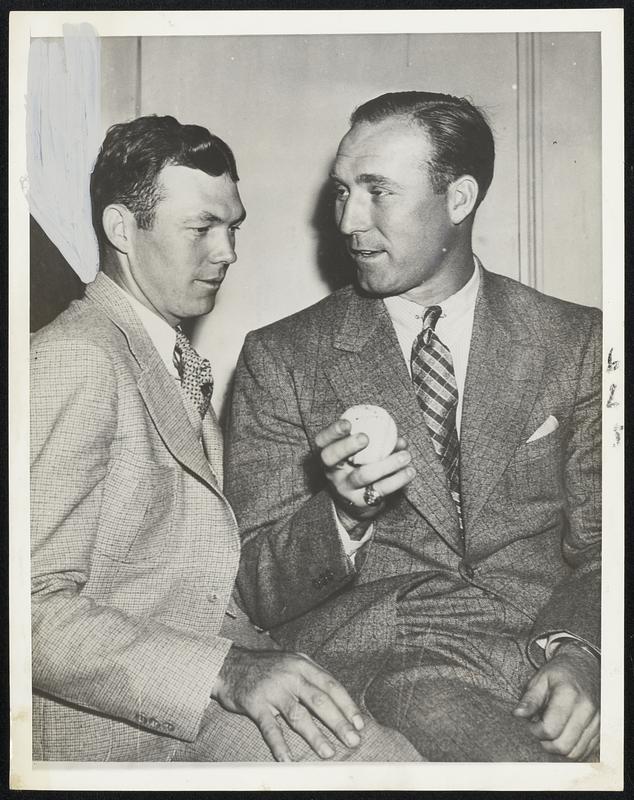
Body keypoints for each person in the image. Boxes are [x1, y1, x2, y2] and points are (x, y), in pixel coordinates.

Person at [30, 114, 423, 763]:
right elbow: (28, 612)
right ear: (122, 228)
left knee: (395, 759)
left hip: (196, 698)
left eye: (233, 226)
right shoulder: (77, 358)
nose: (228, 252)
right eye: (202, 228)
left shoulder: (165, 356)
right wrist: (227, 671)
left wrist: (342, 512)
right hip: (122, 737)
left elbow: (203, 580)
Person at [225, 92, 602, 762]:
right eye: (343, 191)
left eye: (378, 192)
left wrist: (583, 655)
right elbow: (252, 583)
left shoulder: (578, 341)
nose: (347, 219)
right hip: (393, 659)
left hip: (548, 646)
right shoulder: (280, 357)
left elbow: (611, 544)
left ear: (459, 199)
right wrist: (341, 512)